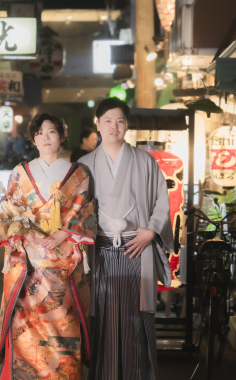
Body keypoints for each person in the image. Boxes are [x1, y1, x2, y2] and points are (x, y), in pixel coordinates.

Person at [0, 112, 96, 380]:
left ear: (62, 135)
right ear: (33, 139)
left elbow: (85, 210)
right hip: (28, 263)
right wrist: (27, 235)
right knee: (26, 326)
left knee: (65, 323)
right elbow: (9, 210)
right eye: (39, 133)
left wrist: (62, 235)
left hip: (63, 262)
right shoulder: (20, 172)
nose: (46, 137)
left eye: (51, 131)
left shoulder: (79, 173)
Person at [78, 97, 173, 380]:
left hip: (136, 246)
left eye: (120, 120)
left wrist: (152, 230)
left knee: (136, 320)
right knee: (102, 317)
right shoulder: (84, 164)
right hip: (101, 250)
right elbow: (74, 209)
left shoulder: (145, 161)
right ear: (97, 124)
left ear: (127, 125)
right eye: (107, 120)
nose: (114, 126)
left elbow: (161, 201)